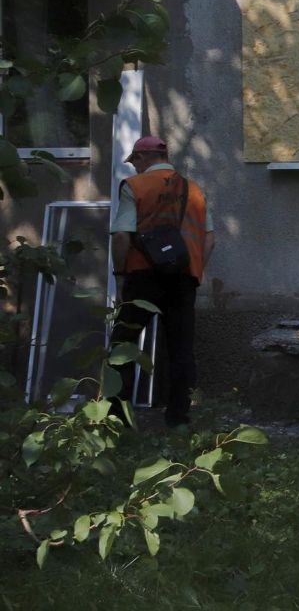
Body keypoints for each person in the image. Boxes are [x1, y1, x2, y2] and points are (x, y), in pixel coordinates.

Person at [108, 136, 215, 427]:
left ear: (142, 159)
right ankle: (178, 420)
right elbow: (209, 239)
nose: (135, 168)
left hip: (142, 276)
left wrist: (120, 277)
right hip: (183, 278)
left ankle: (116, 421)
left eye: (135, 163)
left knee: (123, 346)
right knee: (181, 350)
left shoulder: (135, 186)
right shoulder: (194, 190)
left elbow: (121, 236)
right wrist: (194, 270)